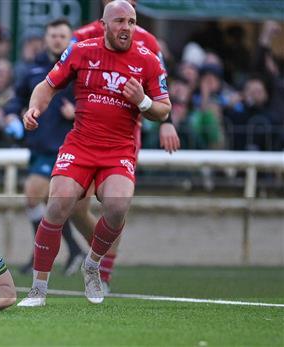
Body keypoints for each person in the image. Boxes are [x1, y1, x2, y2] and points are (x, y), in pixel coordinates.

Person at [17, 0, 171, 307]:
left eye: (131, 21)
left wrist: (142, 102)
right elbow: (47, 86)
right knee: (58, 206)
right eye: (119, 21)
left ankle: (93, 263)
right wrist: (35, 108)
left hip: (119, 149)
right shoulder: (81, 50)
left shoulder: (148, 60)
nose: (126, 27)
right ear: (103, 25)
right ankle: (38, 289)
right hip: (81, 144)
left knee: (116, 206)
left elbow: (163, 110)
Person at [66, 0, 180, 289]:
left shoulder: (148, 41)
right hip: (86, 129)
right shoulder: (83, 36)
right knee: (74, 206)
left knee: (114, 205)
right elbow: (64, 70)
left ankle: (102, 274)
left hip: (124, 133)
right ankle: (98, 256)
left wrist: (167, 122)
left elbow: (161, 85)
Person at [4, 18, 84, 276]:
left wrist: (78, 112)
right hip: (38, 143)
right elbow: (16, 97)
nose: (57, 40)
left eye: (62, 35)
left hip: (65, 146)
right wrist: (10, 114)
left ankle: (51, 252)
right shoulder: (33, 69)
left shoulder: (79, 68)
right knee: (51, 205)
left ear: (69, 38)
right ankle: (71, 249)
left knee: (33, 196)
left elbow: (95, 101)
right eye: (53, 35)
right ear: (46, 38)